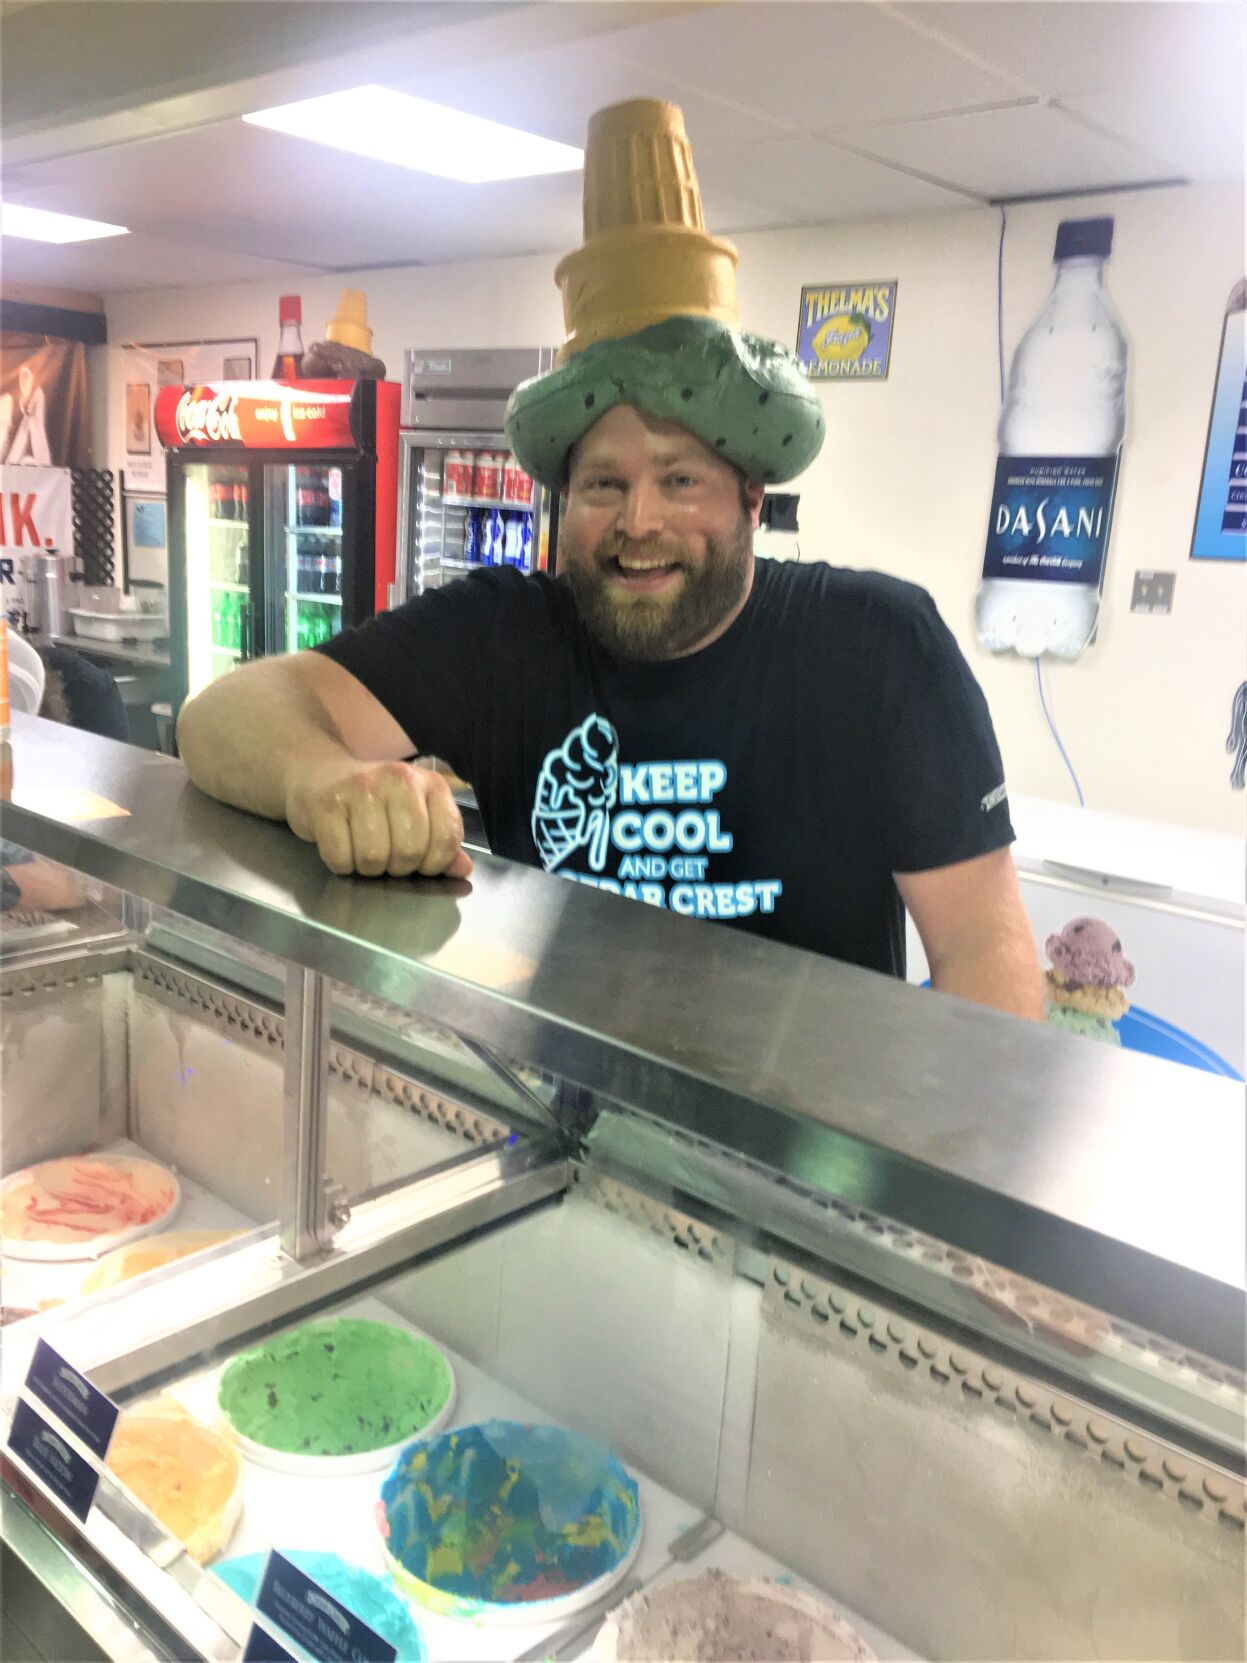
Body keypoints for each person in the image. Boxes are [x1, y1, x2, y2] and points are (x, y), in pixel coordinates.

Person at [178, 100, 1042, 1021]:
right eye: (602, 485)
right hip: (560, 1129)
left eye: (679, 481)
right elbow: (219, 718)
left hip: (798, 1154)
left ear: (752, 493)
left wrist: (934, 1157)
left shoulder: (877, 648)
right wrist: (323, 779)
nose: (638, 522)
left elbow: (981, 948)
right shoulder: (502, 634)